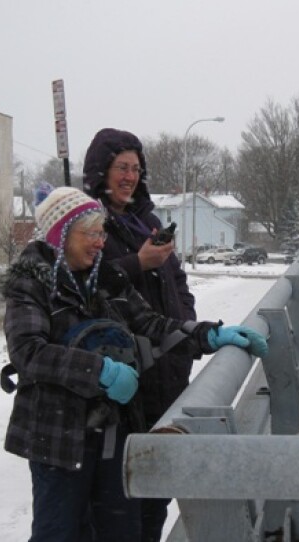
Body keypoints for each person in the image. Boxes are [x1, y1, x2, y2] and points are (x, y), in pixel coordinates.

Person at [0, 186, 267, 542]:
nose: (99, 242)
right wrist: (101, 372)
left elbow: (153, 327)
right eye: (90, 233)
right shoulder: (30, 285)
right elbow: (28, 353)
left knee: (121, 530)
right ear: (59, 235)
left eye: (101, 232)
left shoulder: (105, 280)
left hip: (113, 433)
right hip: (59, 438)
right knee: (60, 532)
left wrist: (209, 336)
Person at [81, 128, 197, 541]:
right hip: (125, 383)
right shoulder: (89, 222)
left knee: (157, 491)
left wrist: (185, 326)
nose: (129, 176)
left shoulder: (145, 219)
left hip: (167, 373)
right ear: (101, 171)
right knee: (121, 499)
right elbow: (87, 286)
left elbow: (178, 281)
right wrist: (138, 262)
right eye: (120, 167)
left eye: (135, 168)